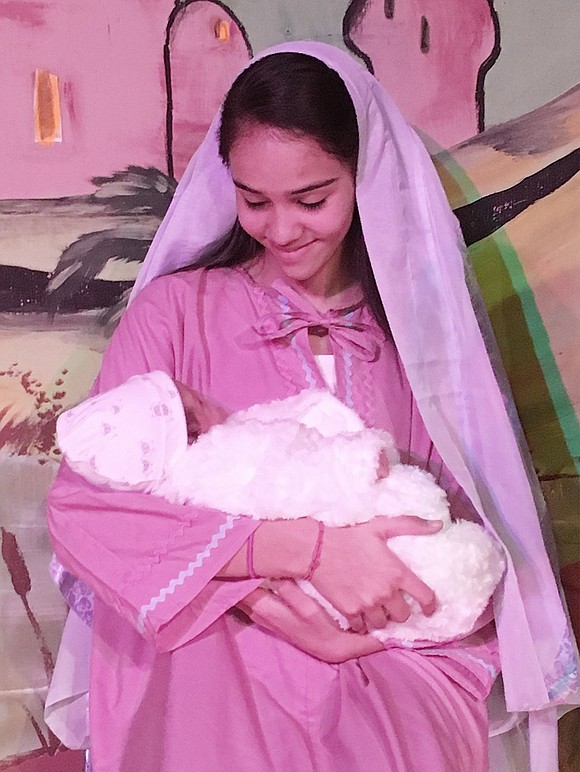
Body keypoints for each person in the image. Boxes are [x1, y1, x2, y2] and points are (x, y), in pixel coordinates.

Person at [46, 42, 578, 772]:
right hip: (213, 645)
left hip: (395, 652)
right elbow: (88, 512)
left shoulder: (418, 339)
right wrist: (293, 561)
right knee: (237, 696)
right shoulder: (175, 314)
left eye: (313, 198)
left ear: (366, 179)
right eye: (253, 199)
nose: (282, 228)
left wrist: (376, 594)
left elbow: (469, 526)